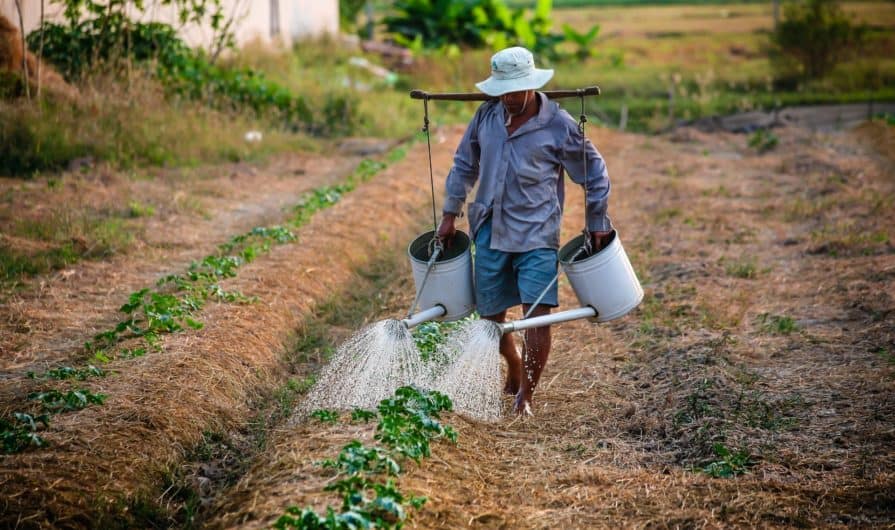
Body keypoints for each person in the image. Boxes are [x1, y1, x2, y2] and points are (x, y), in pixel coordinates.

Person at [436, 46, 612, 416]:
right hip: (490, 229)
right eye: (503, 91)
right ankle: (514, 364)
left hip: (537, 234)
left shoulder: (558, 125)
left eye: (516, 91)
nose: (510, 99)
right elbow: (464, 165)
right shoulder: (486, 116)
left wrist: (596, 221)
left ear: (532, 86)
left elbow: (594, 172)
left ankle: (525, 397)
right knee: (491, 320)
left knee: (538, 315)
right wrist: (450, 213)